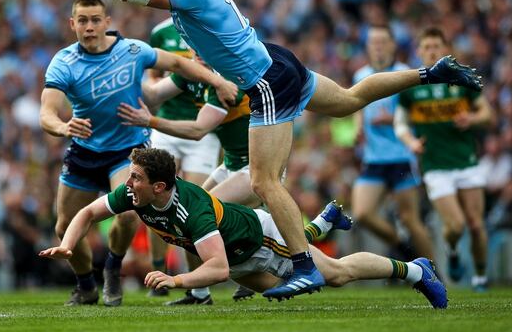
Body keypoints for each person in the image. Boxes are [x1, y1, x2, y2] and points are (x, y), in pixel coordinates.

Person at [45, 0, 481, 299]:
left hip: (266, 81)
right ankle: (430, 73)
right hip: (277, 60)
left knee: (263, 180)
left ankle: (305, 265)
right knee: (349, 99)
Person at [39, 148, 447, 309]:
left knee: (333, 275)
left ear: (159, 186)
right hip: (234, 257)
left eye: (134, 178)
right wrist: (68, 243)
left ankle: (415, 270)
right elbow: (88, 213)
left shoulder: (191, 211)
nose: (127, 184)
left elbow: (214, 269)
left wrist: (175, 278)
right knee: (278, 292)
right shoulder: (137, 196)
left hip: (258, 240)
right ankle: (322, 222)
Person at [40, 0, 237, 306]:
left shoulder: (131, 51)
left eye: (95, 20)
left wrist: (217, 81)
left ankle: (113, 269)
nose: (89, 27)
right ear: (72, 24)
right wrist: (63, 126)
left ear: (106, 23)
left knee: (130, 213)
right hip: (84, 151)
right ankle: (85, 285)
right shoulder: (64, 62)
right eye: (83, 20)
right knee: (64, 226)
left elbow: (178, 63)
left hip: (127, 149)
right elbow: (47, 112)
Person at [119, 66, 272, 304]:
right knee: (192, 215)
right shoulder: (191, 75)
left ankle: (255, 266)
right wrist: (134, 71)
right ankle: (200, 293)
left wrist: (150, 120)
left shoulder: (223, 82)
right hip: (229, 164)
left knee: (198, 214)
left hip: (254, 167)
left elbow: (199, 130)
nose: (198, 52)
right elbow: (153, 94)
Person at [394, 27, 494, 291]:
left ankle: (481, 278)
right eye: (426, 47)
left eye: (436, 46)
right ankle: (451, 249)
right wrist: (411, 142)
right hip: (435, 165)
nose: (431, 51)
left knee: (475, 224)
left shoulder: (461, 80)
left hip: (467, 160)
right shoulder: (412, 85)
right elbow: (400, 124)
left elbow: (487, 114)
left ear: (445, 49)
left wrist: (472, 118)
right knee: (456, 225)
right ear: (419, 52)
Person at [145, 19, 220, 297]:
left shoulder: (210, 23)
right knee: (154, 197)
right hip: (167, 127)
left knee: (194, 204)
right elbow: (152, 81)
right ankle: (157, 270)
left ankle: (198, 286)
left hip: (205, 130)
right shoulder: (161, 30)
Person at [351, 25, 434, 261]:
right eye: (373, 42)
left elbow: (419, 113)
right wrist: (358, 127)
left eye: (382, 42)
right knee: (362, 213)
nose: (378, 46)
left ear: (392, 45)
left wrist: (394, 120)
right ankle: (400, 244)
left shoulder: (405, 73)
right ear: (367, 47)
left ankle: (434, 273)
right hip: (373, 157)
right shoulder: (360, 75)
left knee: (410, 218)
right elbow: (358, 104)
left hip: (400, 156)